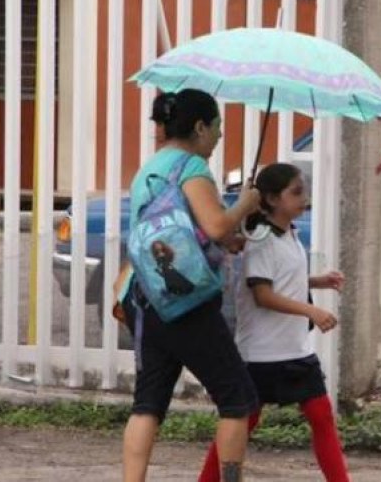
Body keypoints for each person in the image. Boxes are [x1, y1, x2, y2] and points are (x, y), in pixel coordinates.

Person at [122, 89, 261, 482]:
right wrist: (246, 203)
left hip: (146, 299)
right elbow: (215, 224)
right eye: (217, 127)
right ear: (200, 127)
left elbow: (181, 232)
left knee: (148, 403)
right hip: (187, 302)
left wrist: (225, 240)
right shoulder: (193, 167)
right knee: (237, 399)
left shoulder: (149, 168)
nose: (219, 136)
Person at [198, 163, 350, 482]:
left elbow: (281, 279)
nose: (304, 198)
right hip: (261, 354)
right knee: (241, 424)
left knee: (321, 417)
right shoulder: (262, 241)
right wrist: (311, 311)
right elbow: (263, 295)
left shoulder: (289, 234)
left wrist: (317, 281)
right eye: (296, 192)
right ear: (270, 199)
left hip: (294, 349)